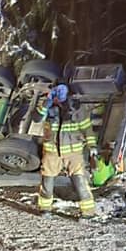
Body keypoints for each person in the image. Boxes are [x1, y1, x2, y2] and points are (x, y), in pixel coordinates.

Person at [36, 82, 98, 218]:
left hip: (73, 153)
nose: (59, 94)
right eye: (57, 91)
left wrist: (92, 146)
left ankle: (88, 213)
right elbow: (37, 118)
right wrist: (47, 101)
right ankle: (45, 209)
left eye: (61, 91)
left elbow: (87, 130)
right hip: (51, 152)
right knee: (47, 181)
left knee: (80, 182)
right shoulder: (48, 106)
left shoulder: (77, 109)